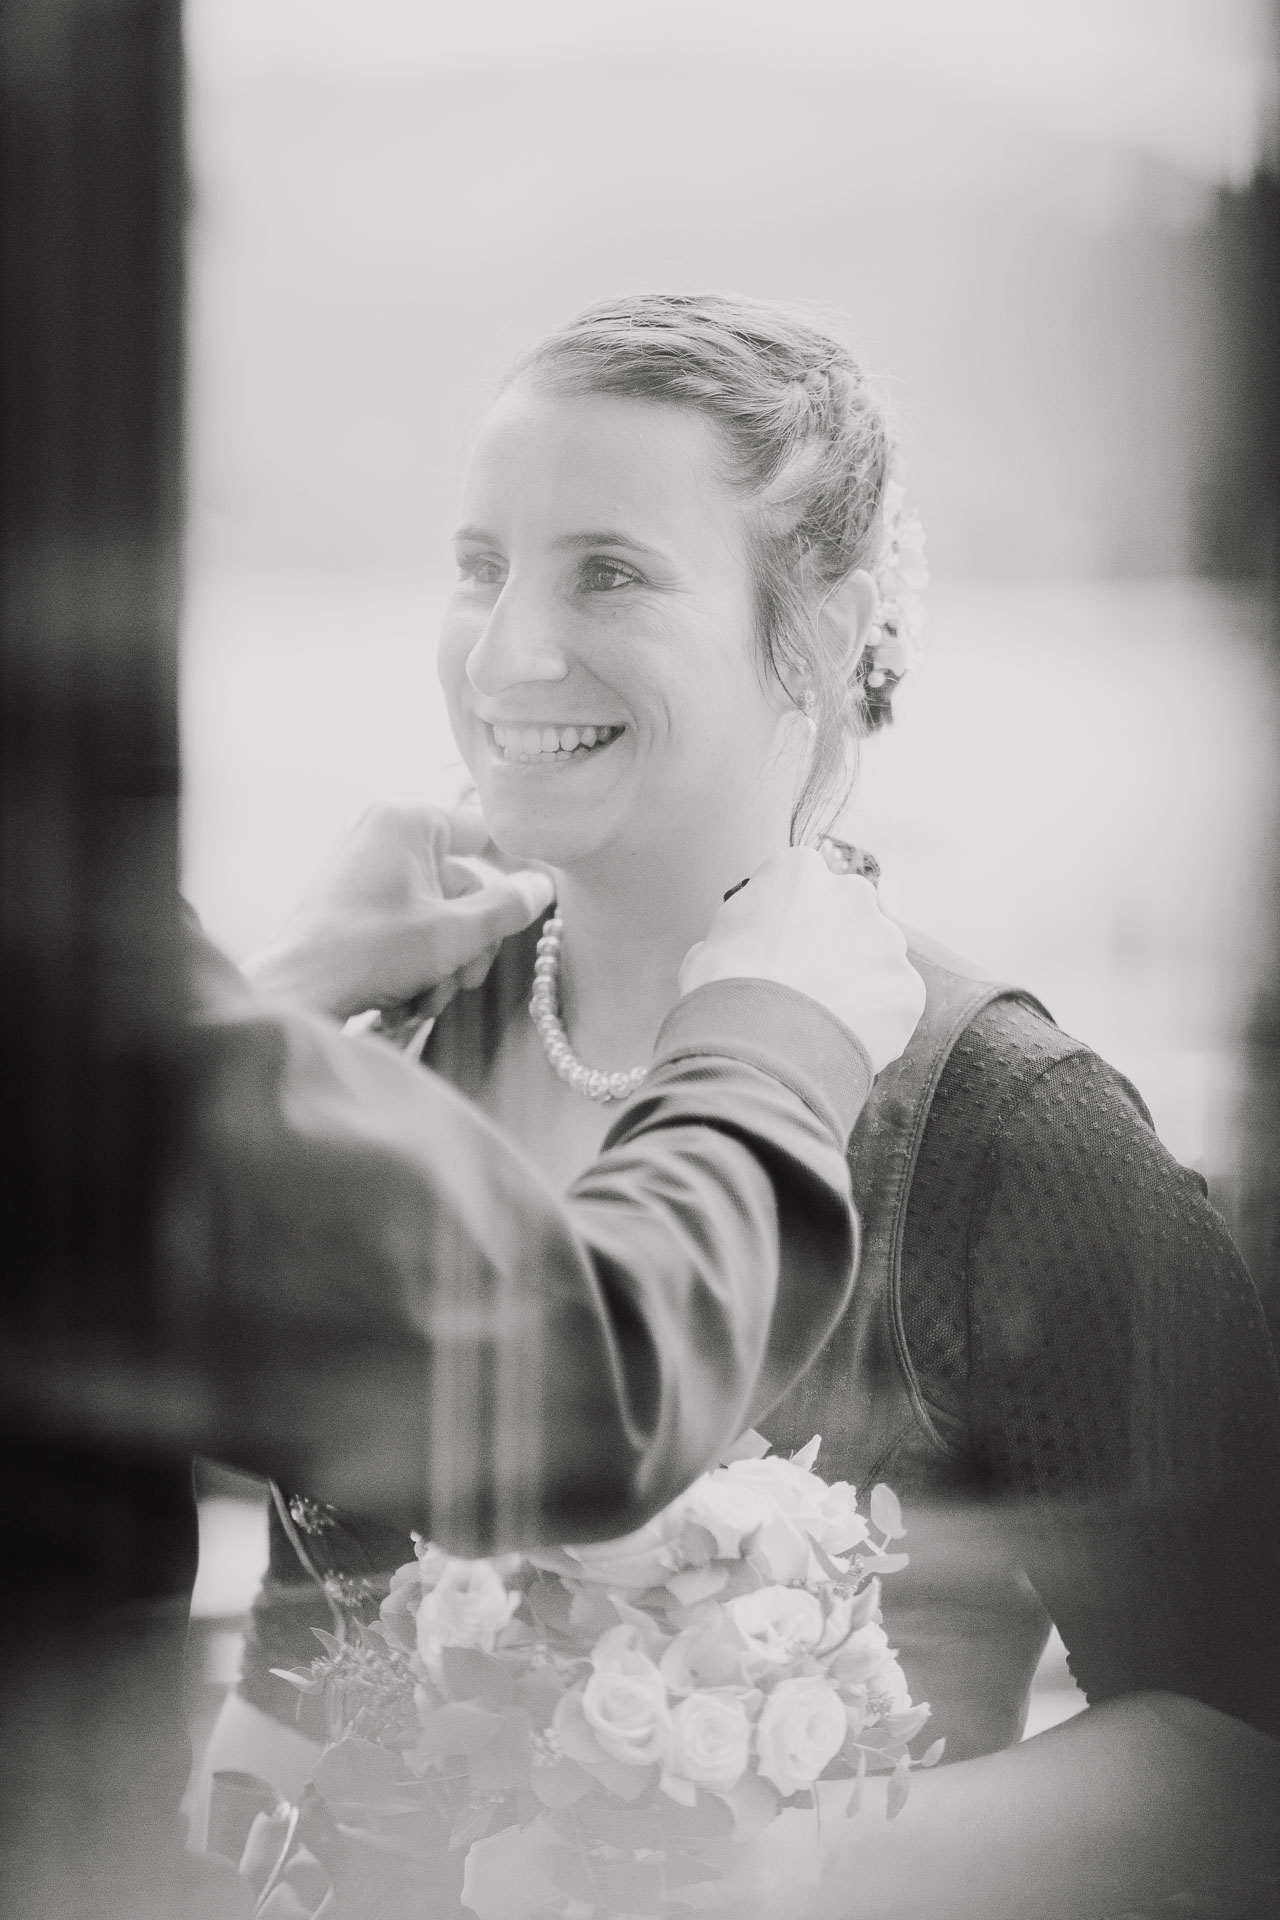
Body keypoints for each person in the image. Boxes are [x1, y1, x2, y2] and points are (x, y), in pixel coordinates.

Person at [213, 292, 1280, 1918]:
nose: (507, 653)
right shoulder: (399, 1048)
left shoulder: (1013, 1131)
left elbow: (1241, 1750)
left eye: (610, 572)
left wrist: (746, 1873)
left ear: (827, 631)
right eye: (483, 564)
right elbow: (294, 1666)